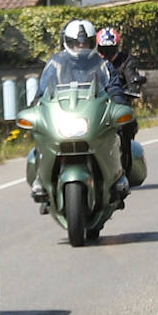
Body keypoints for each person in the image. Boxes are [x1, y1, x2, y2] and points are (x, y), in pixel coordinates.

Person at [31, 19, 128, 205]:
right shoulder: (55, 64)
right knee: (40, 135)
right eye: (76, 43)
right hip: (65, 115)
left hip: (92, 116)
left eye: (85, 43)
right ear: (67, 42)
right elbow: (43, 90)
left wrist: (118, 103)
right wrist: (36, 105)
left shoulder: (102, 65)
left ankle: (118, 175)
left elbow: (114, 87)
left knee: (119, 130)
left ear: (93, 43)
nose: (80, 46)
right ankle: (40, 179)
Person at [96, 26, 142, 175]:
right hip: (97, 104)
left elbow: (131, 75)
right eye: (103, 49)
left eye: (110, 49)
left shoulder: (125, 60)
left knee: (127, 126)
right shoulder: (93, 62)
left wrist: (133, 86)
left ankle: (126, 166)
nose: (107, 53)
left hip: (118, 102)